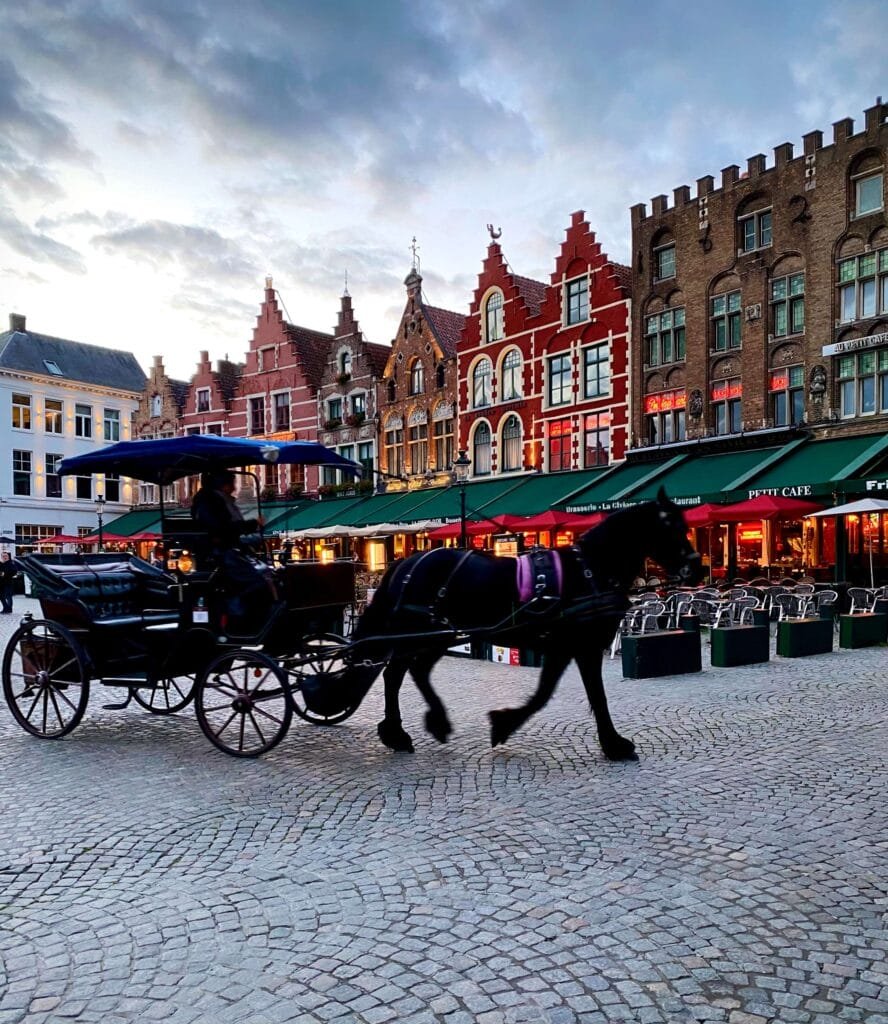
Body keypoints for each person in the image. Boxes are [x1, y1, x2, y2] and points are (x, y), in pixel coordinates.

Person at [191, 470, 278, 622]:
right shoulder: (212, 502)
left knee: (265, 574)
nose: (235, 488)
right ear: (223, 485)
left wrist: (249, 538)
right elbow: (223, 529)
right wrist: (252, 525)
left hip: (225, 550)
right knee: (258, 580)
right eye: (232, 483)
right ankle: (241, 615)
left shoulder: (216, 500)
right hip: (221, 554)